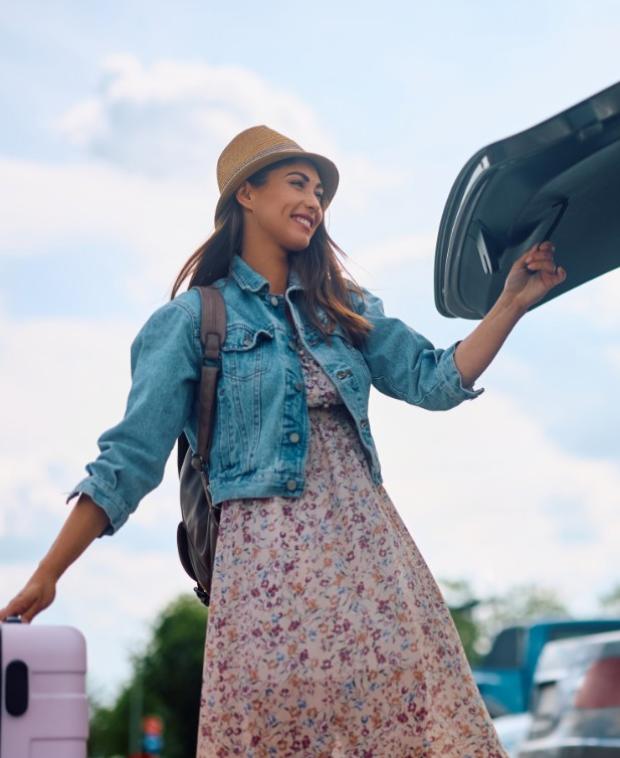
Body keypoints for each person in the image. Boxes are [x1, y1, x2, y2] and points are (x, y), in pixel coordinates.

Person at [0, 125, 565, 756]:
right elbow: (127, 461)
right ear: (247, 193)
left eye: (320, 191)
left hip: (374, 570)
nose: (314, 201)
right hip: (267, 581)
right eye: (298, 183)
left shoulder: (344, 308)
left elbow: (433, 379)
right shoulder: (190, 321)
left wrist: (511, 304)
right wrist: (49, 573)